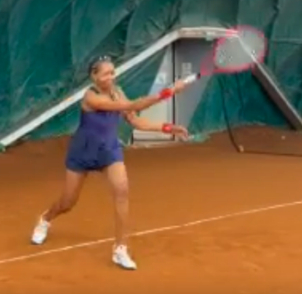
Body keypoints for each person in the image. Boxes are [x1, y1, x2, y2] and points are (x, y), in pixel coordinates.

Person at [29, 55, 192, 270]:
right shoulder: (91, 97)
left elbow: (135, 120)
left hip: (109, 151)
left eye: (112, 72)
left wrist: (167, 128)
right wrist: (168, 91)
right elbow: (133, 104)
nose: (110, 77)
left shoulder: (117, 91)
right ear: (94, 77)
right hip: (83, 152)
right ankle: (46, 220)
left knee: (122, 191)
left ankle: (120, 249)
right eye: (105, 73)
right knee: (68, 202)